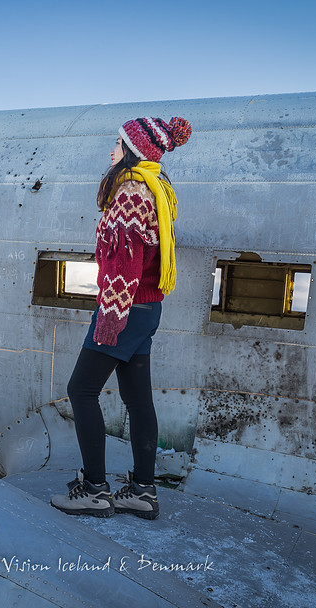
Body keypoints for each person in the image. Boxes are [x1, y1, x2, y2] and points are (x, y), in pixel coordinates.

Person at [51, 116, 191, 520]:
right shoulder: (156, 186)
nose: (111, 150)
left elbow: (126, 260)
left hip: (124, 307)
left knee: (81, 390)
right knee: (138, 399)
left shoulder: (130, 189)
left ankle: (95, 490)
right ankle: (142, 492)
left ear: (131, 151)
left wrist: (110, 317)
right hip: (146, 308)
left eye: (117, 143)